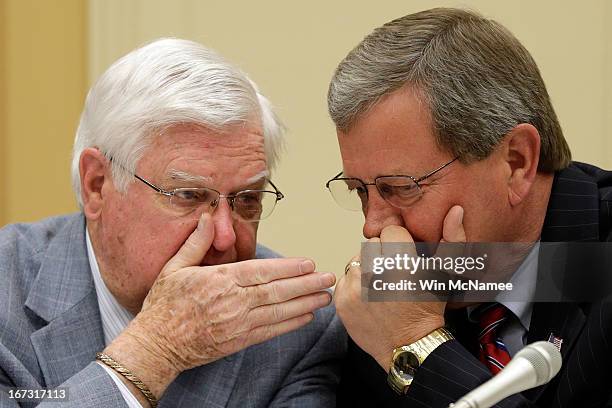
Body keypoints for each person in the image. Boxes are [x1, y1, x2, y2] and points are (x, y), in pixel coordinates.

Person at [0, 38, 345, 407]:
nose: (225, 237)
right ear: (97, 185)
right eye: (189, 196)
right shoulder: (7, 291)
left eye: (247, 200)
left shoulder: (297, 329)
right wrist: (154, 349)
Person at [326, 8, 612, 407]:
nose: (373, 227)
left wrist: (418, 346)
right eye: (360, 191)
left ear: (516, 163)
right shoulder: (396, 300)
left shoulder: (597, 262)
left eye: (401, 188)